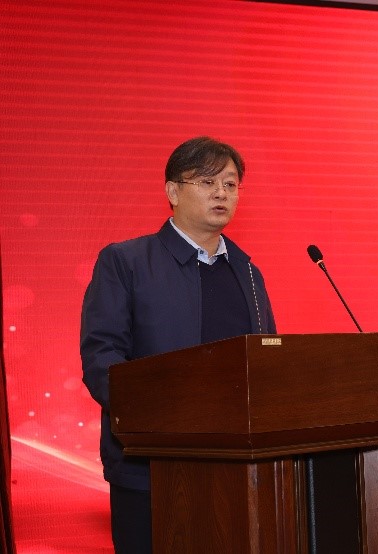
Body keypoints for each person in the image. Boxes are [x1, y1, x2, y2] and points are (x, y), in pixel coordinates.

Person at [80, 136, 276, 553]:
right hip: (150, 469)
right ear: (172, 191)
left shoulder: (247, 272)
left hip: (238, 470)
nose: (221, 193)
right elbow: (101, 356)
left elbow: (266, 361)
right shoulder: (126, 261)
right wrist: (157, 415)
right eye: (207, 182)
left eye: (230, 184)